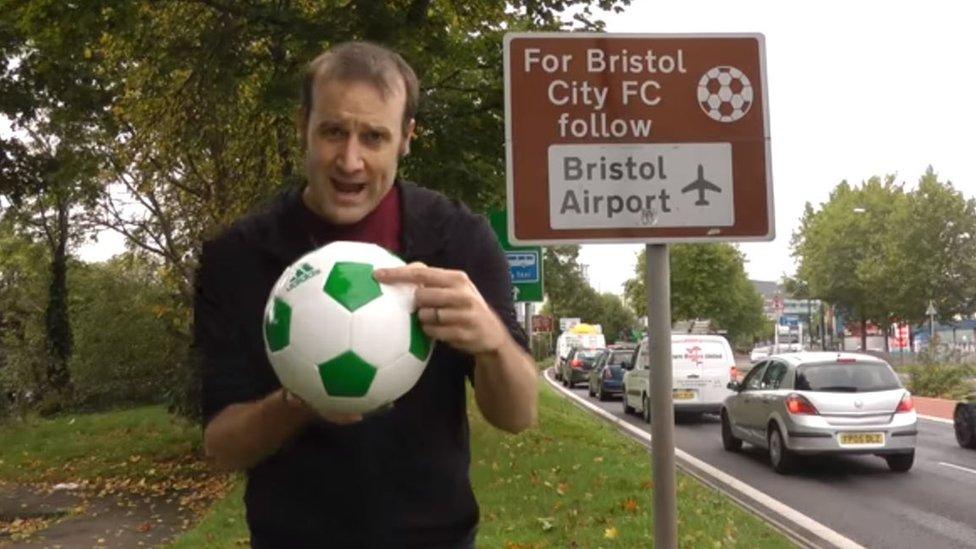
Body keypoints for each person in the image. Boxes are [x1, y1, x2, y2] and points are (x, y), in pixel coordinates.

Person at [194, 41, 538, 548]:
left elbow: (518, 416)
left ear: (406, 139)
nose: (350, 161)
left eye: (374, 137)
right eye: (333, 131)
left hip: (434, 538)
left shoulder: (457, 239)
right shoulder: (238, 256)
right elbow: (221, 447)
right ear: (302, 126)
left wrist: (492, 342)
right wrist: (297, 401)